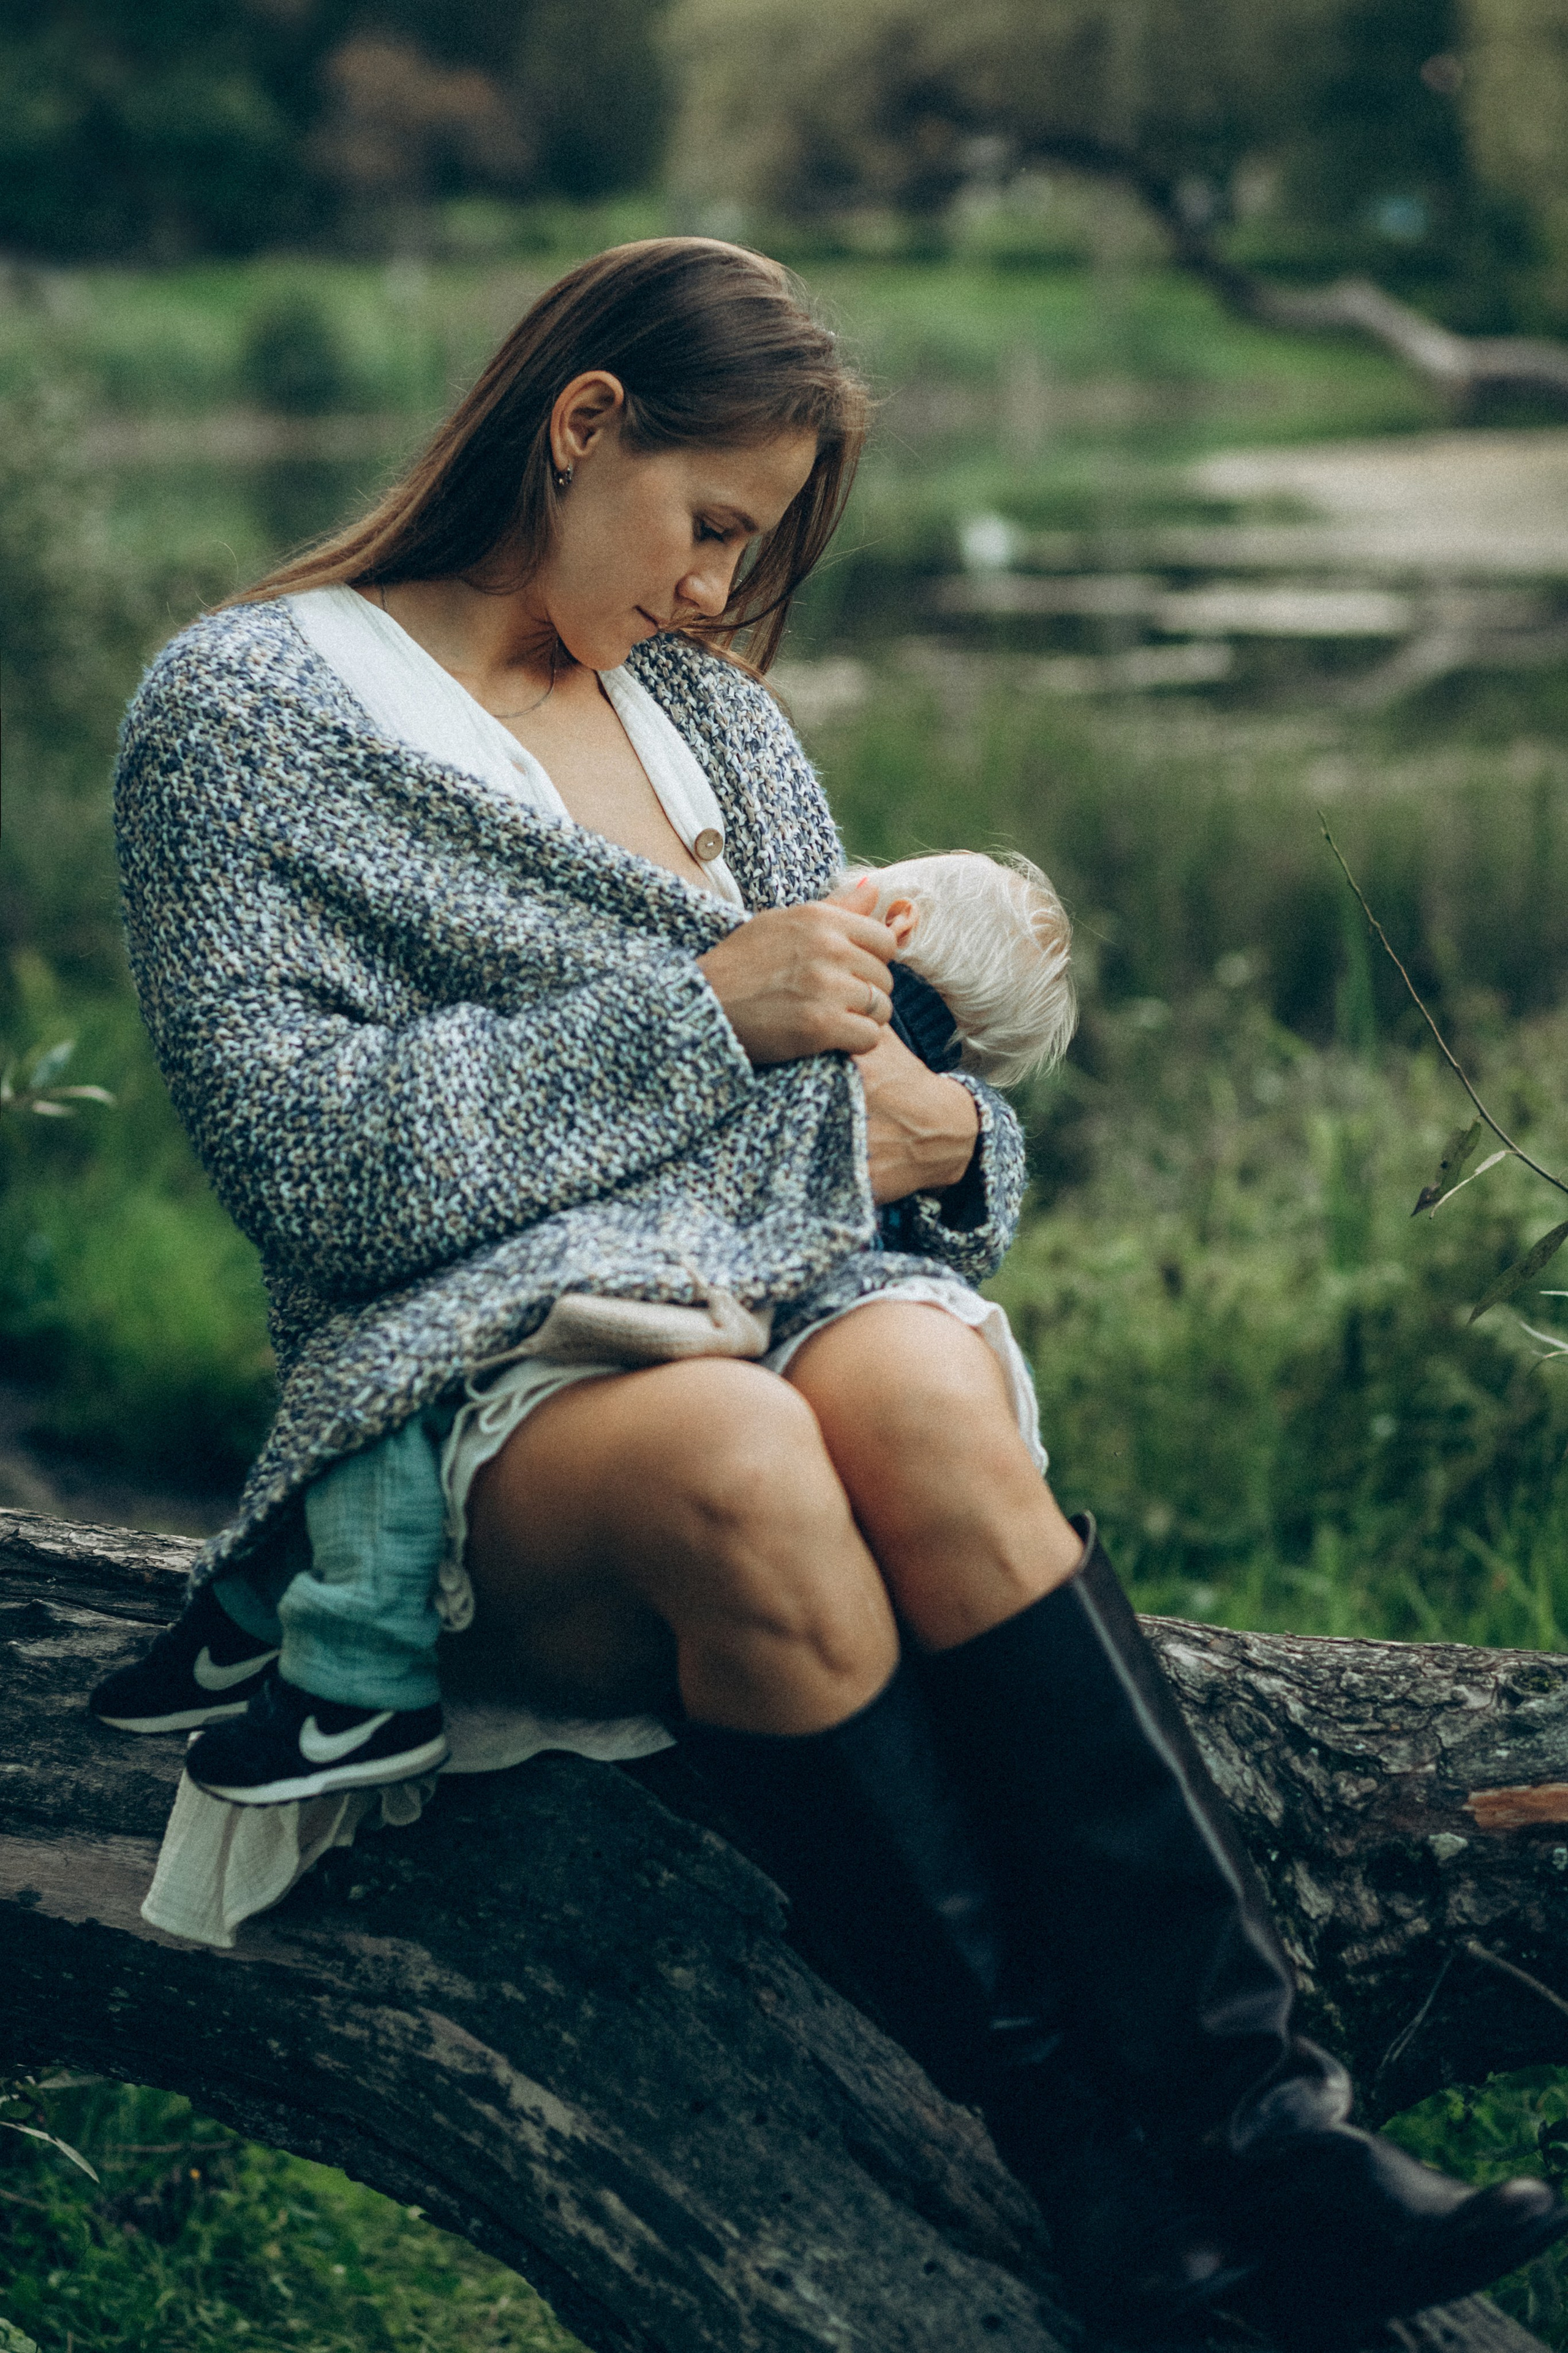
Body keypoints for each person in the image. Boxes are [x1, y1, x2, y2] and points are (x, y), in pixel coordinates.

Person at [92, 237, 1564, 2338]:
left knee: (921, 1400)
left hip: (797, 1293)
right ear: (579, 423)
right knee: (744, 1458)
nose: (715, 596)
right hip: (485, 1388)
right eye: (707, 531)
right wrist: (708, 1024)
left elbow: (881, 1110)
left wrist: (965, 1138)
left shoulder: (717, 725)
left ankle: (1261, 2126)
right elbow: (316, 1171)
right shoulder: (246, 714)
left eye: (751, 554)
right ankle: (1071, 2159)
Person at [92, 844, 1076, 1797]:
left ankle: (356, 1676)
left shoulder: (820, 1002)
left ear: (890, 915)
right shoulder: (921, 1086)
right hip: (748, 1325)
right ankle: (246, 1632)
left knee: (390, 1394)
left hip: (644, 1291)